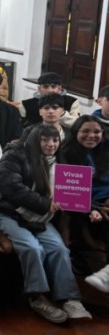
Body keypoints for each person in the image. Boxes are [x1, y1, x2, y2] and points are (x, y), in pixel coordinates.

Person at [0, 126, 92, 323]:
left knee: (59, 248)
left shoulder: (61, 162)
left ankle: (68, 297)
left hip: (41, 218)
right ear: (36, 140)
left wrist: (92, 207)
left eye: (54, 141)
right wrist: (45, 204)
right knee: (32, 247)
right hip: (10, 214)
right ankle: (36, 297)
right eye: (45, 140)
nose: (51, 145)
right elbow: (10, 187)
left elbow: (73, 192)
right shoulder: (15, 156)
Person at [59, 116, 109, 292]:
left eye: (97, 131)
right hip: (83, 212)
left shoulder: (106, 152)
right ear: (76, 133)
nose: (91, 135)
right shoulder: (65, 153)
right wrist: (95, 209)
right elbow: (71, 195)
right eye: (85, 131)